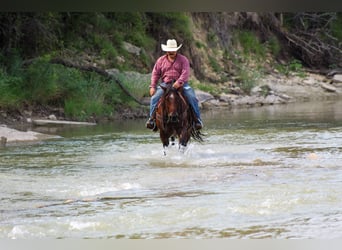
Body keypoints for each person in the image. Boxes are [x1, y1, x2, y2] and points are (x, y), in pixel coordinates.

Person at [145, 39, 203, 130]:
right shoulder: (160, 60)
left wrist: (179, 82)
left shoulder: (183, 60)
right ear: (166, 50)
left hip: (181, 84)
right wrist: (152, 86)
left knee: (192, 97)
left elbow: (185, 72)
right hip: (166, 84)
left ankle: (197, 120)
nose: (171, 52)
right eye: (170, 50)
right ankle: (151, 120)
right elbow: (155, 74)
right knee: (154, 98)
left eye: (173, 50)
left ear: (176, 50)